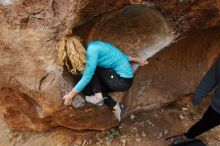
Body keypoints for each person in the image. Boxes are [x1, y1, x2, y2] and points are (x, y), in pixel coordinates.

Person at [57, 36, 148, 121]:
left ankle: (98, 96)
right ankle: (115, 106)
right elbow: (119, 55)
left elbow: (87, 76)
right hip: (114, 79)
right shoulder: (91, 47)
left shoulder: (93, 49)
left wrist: (70, 95)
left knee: (88, 70)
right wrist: (137, 60)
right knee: (88, 91)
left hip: (123, 80)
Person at [172, 56, 220, 144]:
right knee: (205, 123)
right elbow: (211, 78)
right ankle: (188, 136)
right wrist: (198, 95)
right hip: (217, 108)